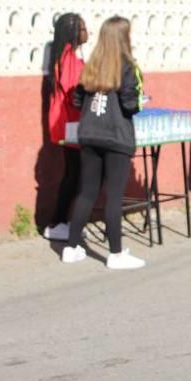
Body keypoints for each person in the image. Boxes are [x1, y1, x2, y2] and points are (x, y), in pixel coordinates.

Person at [62, 16, 146, 269]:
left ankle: (71, 246)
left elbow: (77, 101)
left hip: (89, 134)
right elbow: (131, 105)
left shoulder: (91, 65)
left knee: (87, 192)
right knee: (113, 196)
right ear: (124, 38)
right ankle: (116, 254)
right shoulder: (128, 66)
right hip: (116, 136)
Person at [44, 13, 88, 242]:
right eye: (82, 28)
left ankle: (63, 220)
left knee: (75, 174)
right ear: (73, 33)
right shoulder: (68, 59)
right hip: (70, 124)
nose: (86, 32)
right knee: (74, 175)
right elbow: (75, 93)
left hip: (70, 123)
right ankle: (58, 222)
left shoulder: (66, 57)